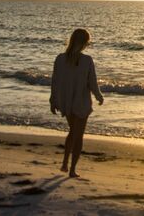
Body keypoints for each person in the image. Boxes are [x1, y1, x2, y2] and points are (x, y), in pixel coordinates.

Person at [49, 28, 104, 177]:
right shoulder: (87, 60)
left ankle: (65, 163)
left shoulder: (60, 59)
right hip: (81, 102)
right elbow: (92, 82)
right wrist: (99, 96)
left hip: (66, 101)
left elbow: (55, 82)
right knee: (78, 135)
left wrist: (53, 100)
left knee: (72, 132)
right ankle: (72, 169)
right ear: (85, 43)